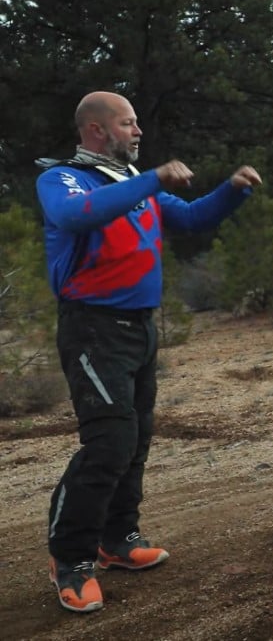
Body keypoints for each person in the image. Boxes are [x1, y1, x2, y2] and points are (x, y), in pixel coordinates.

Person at [36, 91, 260, 613]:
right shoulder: (64, 179)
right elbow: (74, 216)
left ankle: (116, 540)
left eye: (137, 123)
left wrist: (231, 191)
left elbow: (192, 218)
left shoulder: (131, 186)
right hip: (92, 329)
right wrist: (153, 178)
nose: (138, 132)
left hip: (140, 329)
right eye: (128, 123)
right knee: (110, 440)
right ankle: (69, 557)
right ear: (97, 131)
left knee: (135, 438)